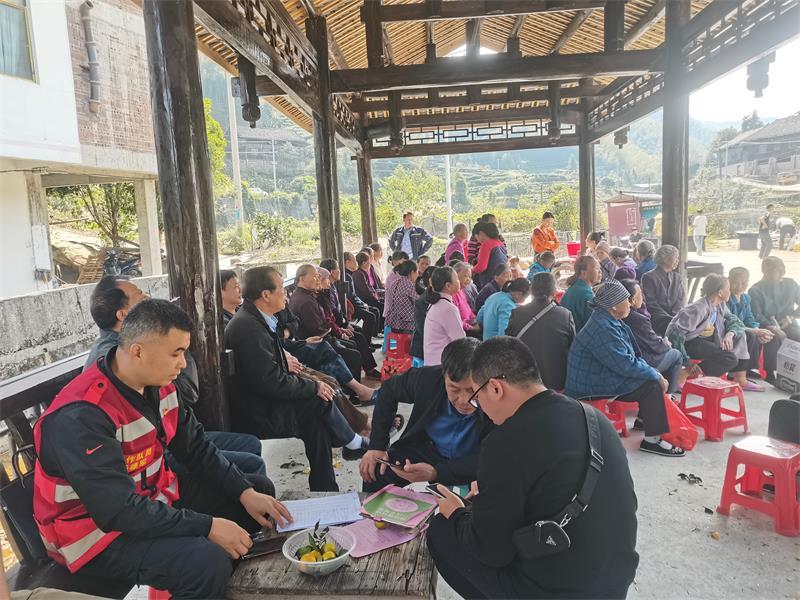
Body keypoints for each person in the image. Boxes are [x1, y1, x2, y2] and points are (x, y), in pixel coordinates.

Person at [34, 299, 293, 598]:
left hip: (153, 495)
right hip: (93, 533)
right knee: (205, 563)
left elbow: (196, 448)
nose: (183, 364)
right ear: (138, 351)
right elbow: (117, 511)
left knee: (257, 493)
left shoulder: (160, 385)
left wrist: (245, 492)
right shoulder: (82, 415)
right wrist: (207, 526)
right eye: (176, 353)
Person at [426, 337, 639, 599]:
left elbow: (490, 551)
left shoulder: (504, 442)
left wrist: (457, 514)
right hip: (615, 582)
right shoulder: (594, 418)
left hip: (555, 592)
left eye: (477, 398)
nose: (479, 408)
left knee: (441, 530)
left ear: (495, 388)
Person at [83, 276, 266, 478]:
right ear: (123, 315)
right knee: (250, 465)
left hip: (168, 435)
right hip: (153, 453)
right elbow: (187, 392)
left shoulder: (130, 346)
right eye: (141, 297)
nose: (148, 298)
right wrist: (174, 340)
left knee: (249, 445)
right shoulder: (119, 358)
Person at [226, 266, 371, 491]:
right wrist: (312, 386)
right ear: (265, 294)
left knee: (317, 416)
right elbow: (270, 382)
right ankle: (352, 443)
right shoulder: (248, 328)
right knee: (317, 400)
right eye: (280, 289)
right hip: (256, 411)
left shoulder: (255, 319)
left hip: (263, 399)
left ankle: (325, 486)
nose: (285, 294)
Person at [565, 280, 685, 457]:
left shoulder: (607, 319)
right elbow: (626, 365)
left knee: (649, 379)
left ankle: (645, 420)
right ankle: (652, 440)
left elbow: (629, 359)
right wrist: (656, 374)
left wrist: (652, 372)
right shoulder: (603, 328)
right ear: (614, 306)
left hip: (600, 375)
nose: (629, 303)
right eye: (626, 300)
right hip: (590, 385)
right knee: (652, 385)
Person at [360, 338, 493, 492]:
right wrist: (377, 445)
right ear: (444, 376)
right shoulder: (428, 379)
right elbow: (389, 390)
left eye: (472, 390)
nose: (464, 400)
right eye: (454, 389)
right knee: (376, 469)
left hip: (473, 459)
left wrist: (437, 472)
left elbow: (496, 457)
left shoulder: (497, 398)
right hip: (430, 448)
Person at [666, 274, 762, 391]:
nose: (730, 291)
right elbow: (674, 334)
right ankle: (686, 373)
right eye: (728, 288)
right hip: (689, 342)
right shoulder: (698, 308)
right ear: (720, 292)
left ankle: (740, 378)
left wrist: (730, 334)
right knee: (729, 358)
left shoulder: (720, 304)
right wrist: (687, 361)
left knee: (747, 336)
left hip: (707, 338)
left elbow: (735, 321)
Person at [289, 264, 378, 379]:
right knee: (353, 354)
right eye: (315, 277)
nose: (318, 280)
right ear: (302, 278)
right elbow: (318, 331)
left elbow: (327, 320)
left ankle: (361, 377)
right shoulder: (306, 301)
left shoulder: (307, 295)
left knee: (355, 341)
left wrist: (339, 331)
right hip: (315, 344)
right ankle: (351, 388)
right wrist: (338, 338)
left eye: (319, 277)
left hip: (322, 337)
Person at [506, 272, 574, 391]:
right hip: (556, 383)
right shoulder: (565, 315)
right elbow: (572, 347)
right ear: (554, 292)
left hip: (525, 381)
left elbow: (509, 344)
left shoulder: (517, 314)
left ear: (531, 291)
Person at [619, 279, 684, 396]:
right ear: (632, 300)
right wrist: (666, 344)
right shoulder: (638, 319)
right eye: (640, 294)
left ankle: (663, 391)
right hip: (640, 362)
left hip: (628, 361)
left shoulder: (616, 315)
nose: (642, 297)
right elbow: (654, 345)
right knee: (676, 354)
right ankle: (668, 396)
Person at [314, 266, 381, 380]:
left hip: (335, 327)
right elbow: (327, 322)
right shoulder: (315, 298)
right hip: (327, 335)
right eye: (326, 279)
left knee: (358, 334)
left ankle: (368, 367)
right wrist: (341, 331)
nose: (329, 282)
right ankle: (358, 378)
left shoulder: (326, 291)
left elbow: (333, 315)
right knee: (355, 341)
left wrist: (343, 326)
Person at [746, 256, 800, 383]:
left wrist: (790, 317)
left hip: (788, 323)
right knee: (772, 337)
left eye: (783, 269)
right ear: (765, 271)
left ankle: (795, 374)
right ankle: (771, 374)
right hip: (766, 325)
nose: (782, 273)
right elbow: (757, 315)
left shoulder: (791, 284)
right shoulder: (755, 290)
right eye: (778, 270)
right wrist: (773, 327)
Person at [727, 267, 775, 381]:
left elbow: (749, 318)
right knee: (750, 335)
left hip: (742, 328)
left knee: (764, 334)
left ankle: (761, 371)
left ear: (748, 282)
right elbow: (729, 322)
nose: (739, 286)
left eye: (743, 283)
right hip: (729, 330)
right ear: (728, 281)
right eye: (735, 283)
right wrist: (755, 331)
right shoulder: (726, 298)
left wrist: (757, 329)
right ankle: (735, 372)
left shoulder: (746, 298)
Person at [423, 266, 466, 366]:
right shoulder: (448, 308)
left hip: (432, 361)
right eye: (457, 279)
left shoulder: (436, 303)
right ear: (448, 286)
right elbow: (460, 340)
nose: (459, 281)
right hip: (441, 365)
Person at [641, 244, 685, 336]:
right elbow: (651, 303)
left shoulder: (677, 277)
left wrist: (675, 317)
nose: (678, 261)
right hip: (657, 319)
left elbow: (680, 300)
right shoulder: (649, 277)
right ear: (665, 259)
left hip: (675, 318)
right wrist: (670, 319)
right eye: (676, 258)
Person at [343, 251, 381, 339]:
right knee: (370, 316)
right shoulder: (347, 276)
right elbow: (351, 297)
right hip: (351, 307)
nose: (357, 263)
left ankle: (370, 338)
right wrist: (363, 304)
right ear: (348, 262)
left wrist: (362, 304)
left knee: (374, 311)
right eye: (354, 261)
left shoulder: (351, 274)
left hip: (356, 303)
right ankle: (367, 341)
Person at [560, 255, 601, 332]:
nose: (600, 272)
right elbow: (595, 328)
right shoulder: (586, 295)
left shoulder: (574, 288)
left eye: (600, 268)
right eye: (596, 268)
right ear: (584, 273)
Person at [411, 266, 436, 367]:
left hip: (429, 344)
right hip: (422, 346)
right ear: (431, 282)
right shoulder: (422, 301)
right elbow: (422, 329)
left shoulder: (436, 298)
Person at [384, 260, 418, 333]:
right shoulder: (409, 286)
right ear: (412, 272)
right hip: (406, 325)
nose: (417, 275)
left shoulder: (394, 283)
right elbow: (420, 302)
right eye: (417, 272)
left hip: (393, 323)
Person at [472, 222, 508, 289]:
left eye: (476, 238)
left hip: (491, 282)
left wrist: (471, 270)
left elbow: (481, 267)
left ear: (481, 233)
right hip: (503, 281)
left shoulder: (487, 244)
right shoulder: (500, 243)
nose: (478, 241)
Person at [451, 261, 481, 335]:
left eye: (470, 277)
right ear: (455, 276)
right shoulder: (452, 294)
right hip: (462, 331)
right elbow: (456, 320)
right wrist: (471, 328)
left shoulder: (461, 291)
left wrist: (476, 320)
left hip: (470, 325)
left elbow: (469, 311)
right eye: (465, 276)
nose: (468, 279)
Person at [351, 251, 385, 316]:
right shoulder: (358, 274)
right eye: (369, 262)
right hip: (365, 299)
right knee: (381, 307)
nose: (370, 264)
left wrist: (376, 296)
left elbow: (370, 287)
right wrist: (375, 298)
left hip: (370, 297)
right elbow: (366, 291)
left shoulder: (363, 273)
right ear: (364, 263)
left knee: (384, 302)